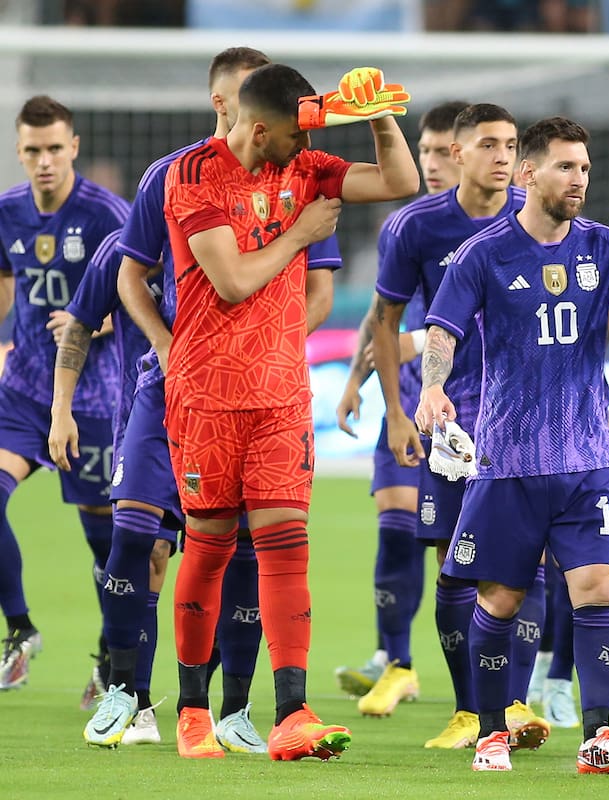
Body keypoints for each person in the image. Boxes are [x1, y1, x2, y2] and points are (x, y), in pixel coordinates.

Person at [74, 47, 343, 749]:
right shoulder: (173, 174)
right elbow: (128, 275)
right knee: (136, 536)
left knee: (252, 547)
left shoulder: (294, 173)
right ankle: (126, 692)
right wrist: (167, 347)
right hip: (170, 388)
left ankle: (238, 709)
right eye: (236, 94)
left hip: (261, 389)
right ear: (221, 102)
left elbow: (317, 292)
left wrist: (264, 346)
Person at [414, 115, 609, 774]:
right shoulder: (483, 252)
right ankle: (490, 732)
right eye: (566, 166)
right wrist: (432, 389)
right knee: (500, 600)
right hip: (509, 462)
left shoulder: (607, 248)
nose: (579, 179)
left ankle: (599, 737)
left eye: (585, 168)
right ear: (529, 173)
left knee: (596, 588)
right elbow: (442, 331)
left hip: (587, 461)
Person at [163, 63, 420, 761]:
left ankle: (292, 713)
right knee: (210, 548)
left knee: (286, 547)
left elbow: (399, 182)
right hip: (207, 395)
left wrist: (377, 115)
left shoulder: (302, 166)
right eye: (293, 136)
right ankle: (192, 710)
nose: (303, 150)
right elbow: (232, 280)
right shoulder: (192, 175)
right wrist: (302, 234)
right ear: (257, 130)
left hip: (280, 393)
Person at [344, 102, 549, 748]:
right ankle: (465, 708)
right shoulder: (417, 226)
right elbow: (385, 320)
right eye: (489, 144)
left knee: (530, 561)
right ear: (460, 153)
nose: (503, 156)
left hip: (525, 417)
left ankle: (516, 704)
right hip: (451, 418)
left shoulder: (539, 214)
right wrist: (395, 411)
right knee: (453, 562)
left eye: (510, 145)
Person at [332, 99, 469, 710]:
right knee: (395, 525)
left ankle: (510, 678)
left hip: (484, 409)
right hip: (412, 400)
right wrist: (355, 380)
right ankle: (396, 661)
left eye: (443, 152)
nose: (432, 163)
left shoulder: (511, 223)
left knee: (466, 554)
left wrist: (415, 341)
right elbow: (381, 313)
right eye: (425, 151)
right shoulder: (408, 225)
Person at [0, 95, 129, 692]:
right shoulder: (8, 212)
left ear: (73, 147)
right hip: (26, 388)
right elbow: (6, 284)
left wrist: (95, 322)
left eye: (55, 148)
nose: (44, 161)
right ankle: (21, 630)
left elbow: (147, 288)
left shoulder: (107, 215)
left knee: (104, 540)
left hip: (94, 396)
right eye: (33, 150)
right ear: (19, 151)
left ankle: (109, 658)